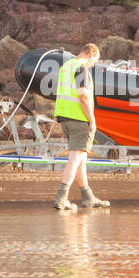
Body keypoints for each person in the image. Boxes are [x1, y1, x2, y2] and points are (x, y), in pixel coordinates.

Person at [53, 43, 110, 211]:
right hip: (79, 119)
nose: (93, 64)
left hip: (65, 118)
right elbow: (83, 95)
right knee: (75, 159)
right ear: (90, 54)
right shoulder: (81, 68)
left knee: (81, 160)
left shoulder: (66, 67)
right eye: (95, 60)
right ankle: (62, 197)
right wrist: (91, 119)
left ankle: (87, 196)